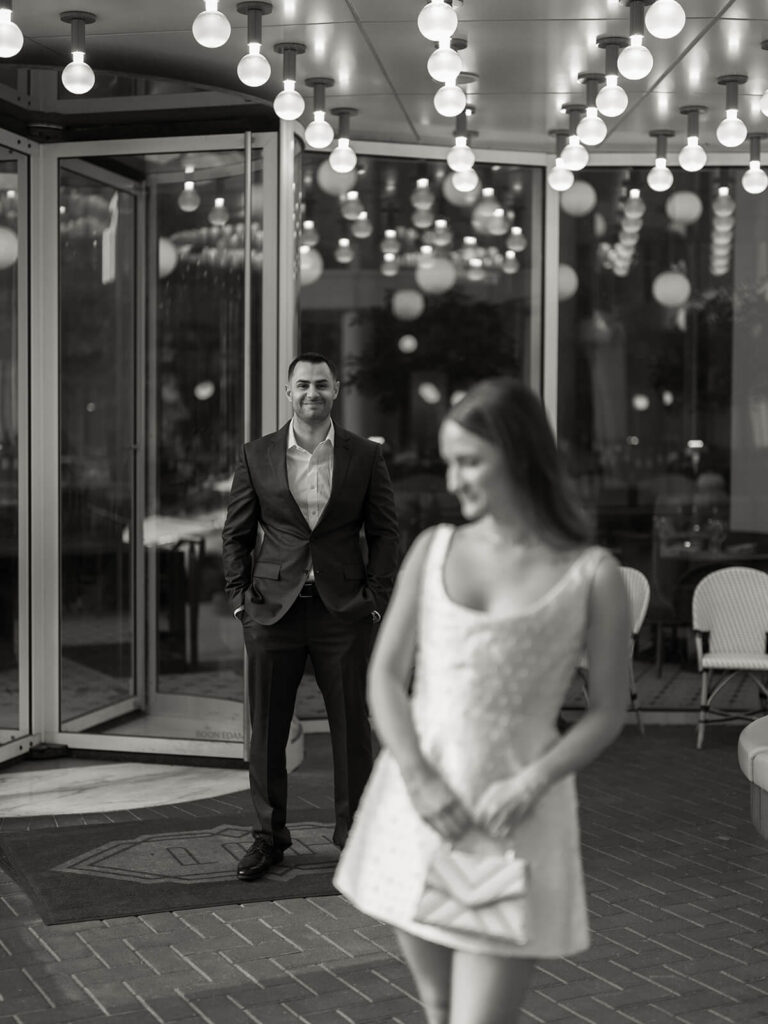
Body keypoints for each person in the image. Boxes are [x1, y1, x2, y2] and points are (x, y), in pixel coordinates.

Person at [334, 377, 629, 1024]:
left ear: (520, 455)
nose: (454, 479)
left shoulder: (593, 574)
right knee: (438, 1007)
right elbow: (384, 677)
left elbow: (609, 711)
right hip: (421, 808)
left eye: (470, 460)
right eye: (449, 461)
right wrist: (417, 778)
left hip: (508, 823)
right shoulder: (433, 548)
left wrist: (533, 783)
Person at [222, 352, 400, 880]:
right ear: (288, 392)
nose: (311, 393)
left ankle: (356, 837)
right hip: (271, 612)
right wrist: (239, 599)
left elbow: (387, 532)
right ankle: (268, 837)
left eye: (321, 385)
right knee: (267, 732)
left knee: (350, 730)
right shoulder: (256, 455)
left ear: (336, 390)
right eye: (302, 385)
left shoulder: (363, 457)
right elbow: (236, 533)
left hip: (342, 611)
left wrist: (375, 598)